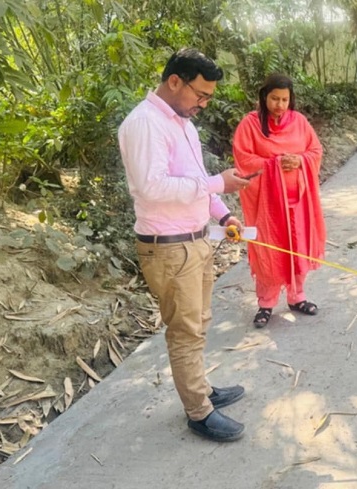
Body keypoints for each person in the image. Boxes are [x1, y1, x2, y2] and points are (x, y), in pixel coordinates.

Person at [119, 48, 251, 442]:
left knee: (199, 323)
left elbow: (195, 181)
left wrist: (224, 215)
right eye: (201, 94)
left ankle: (203, 389)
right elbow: (153, 187)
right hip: (168, 247)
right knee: (185, 331)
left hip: (196, 241)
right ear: (175, 81)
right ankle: (199, 411)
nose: (204, 103)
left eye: (209, 96)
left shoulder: (183, 125)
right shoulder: (144, 124)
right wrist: (217, 183)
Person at [232, 74, 326, 329]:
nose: (280, 105)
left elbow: (315, 151)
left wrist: (300, 161)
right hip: (267, 206)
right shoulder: (250, 125)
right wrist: (273, 164)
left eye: (285, 99)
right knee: (270, 250)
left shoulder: (300, 122)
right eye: (275, 98)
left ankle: (297, 297)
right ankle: (266, 303)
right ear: (264, 97)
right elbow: (242, 159)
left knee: (297, 247)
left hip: (298, 201)